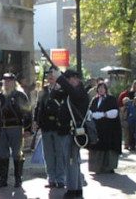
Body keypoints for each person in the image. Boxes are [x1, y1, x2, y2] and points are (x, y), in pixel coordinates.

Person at [52, 68, 89, 199]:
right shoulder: (71, 92)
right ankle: (77, 188)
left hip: (72, 132)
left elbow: (74, 94)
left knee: (71, 162)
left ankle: (72, 190)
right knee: (73, 162)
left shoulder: (79, 92)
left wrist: (60, 79)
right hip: (66, 131)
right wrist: (57, 85)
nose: (68, 81)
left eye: (69, 79)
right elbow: (54, 96)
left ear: (75, 78)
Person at [0, 73, 32, 188]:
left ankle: (18, 178)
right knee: (2, 154)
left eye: (9, 81)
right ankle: (3, 179)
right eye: (5, 81)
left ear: (14, 82)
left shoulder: (20, 95)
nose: (7, 83)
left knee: (17, 154)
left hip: (16, 128)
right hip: (1, 129)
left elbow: (27, 113)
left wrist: (27, 129)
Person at [34, 69, 66, 188]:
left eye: (52, 75)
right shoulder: (43, 91)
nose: (50, 77)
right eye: (49, 76)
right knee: (48, 154)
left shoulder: (62, 90)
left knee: (60, 153)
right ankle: (51, 178)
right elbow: (38, 107)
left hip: (58, 126)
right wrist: (36, 121)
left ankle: (61, 178)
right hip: (46, 126)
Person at [88, 82, 122, 174]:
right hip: (97, 129)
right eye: (99, 88)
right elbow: (90, 110)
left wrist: (103, 114)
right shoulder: (94, 100)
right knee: (97, 147)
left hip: (109, 129)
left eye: (103, 88)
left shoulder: (111, 99)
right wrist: (92, 114)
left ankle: (109, 167)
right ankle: (97, 167)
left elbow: (115, 112)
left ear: (106, 89)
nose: (101, 89)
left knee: (109, 148)